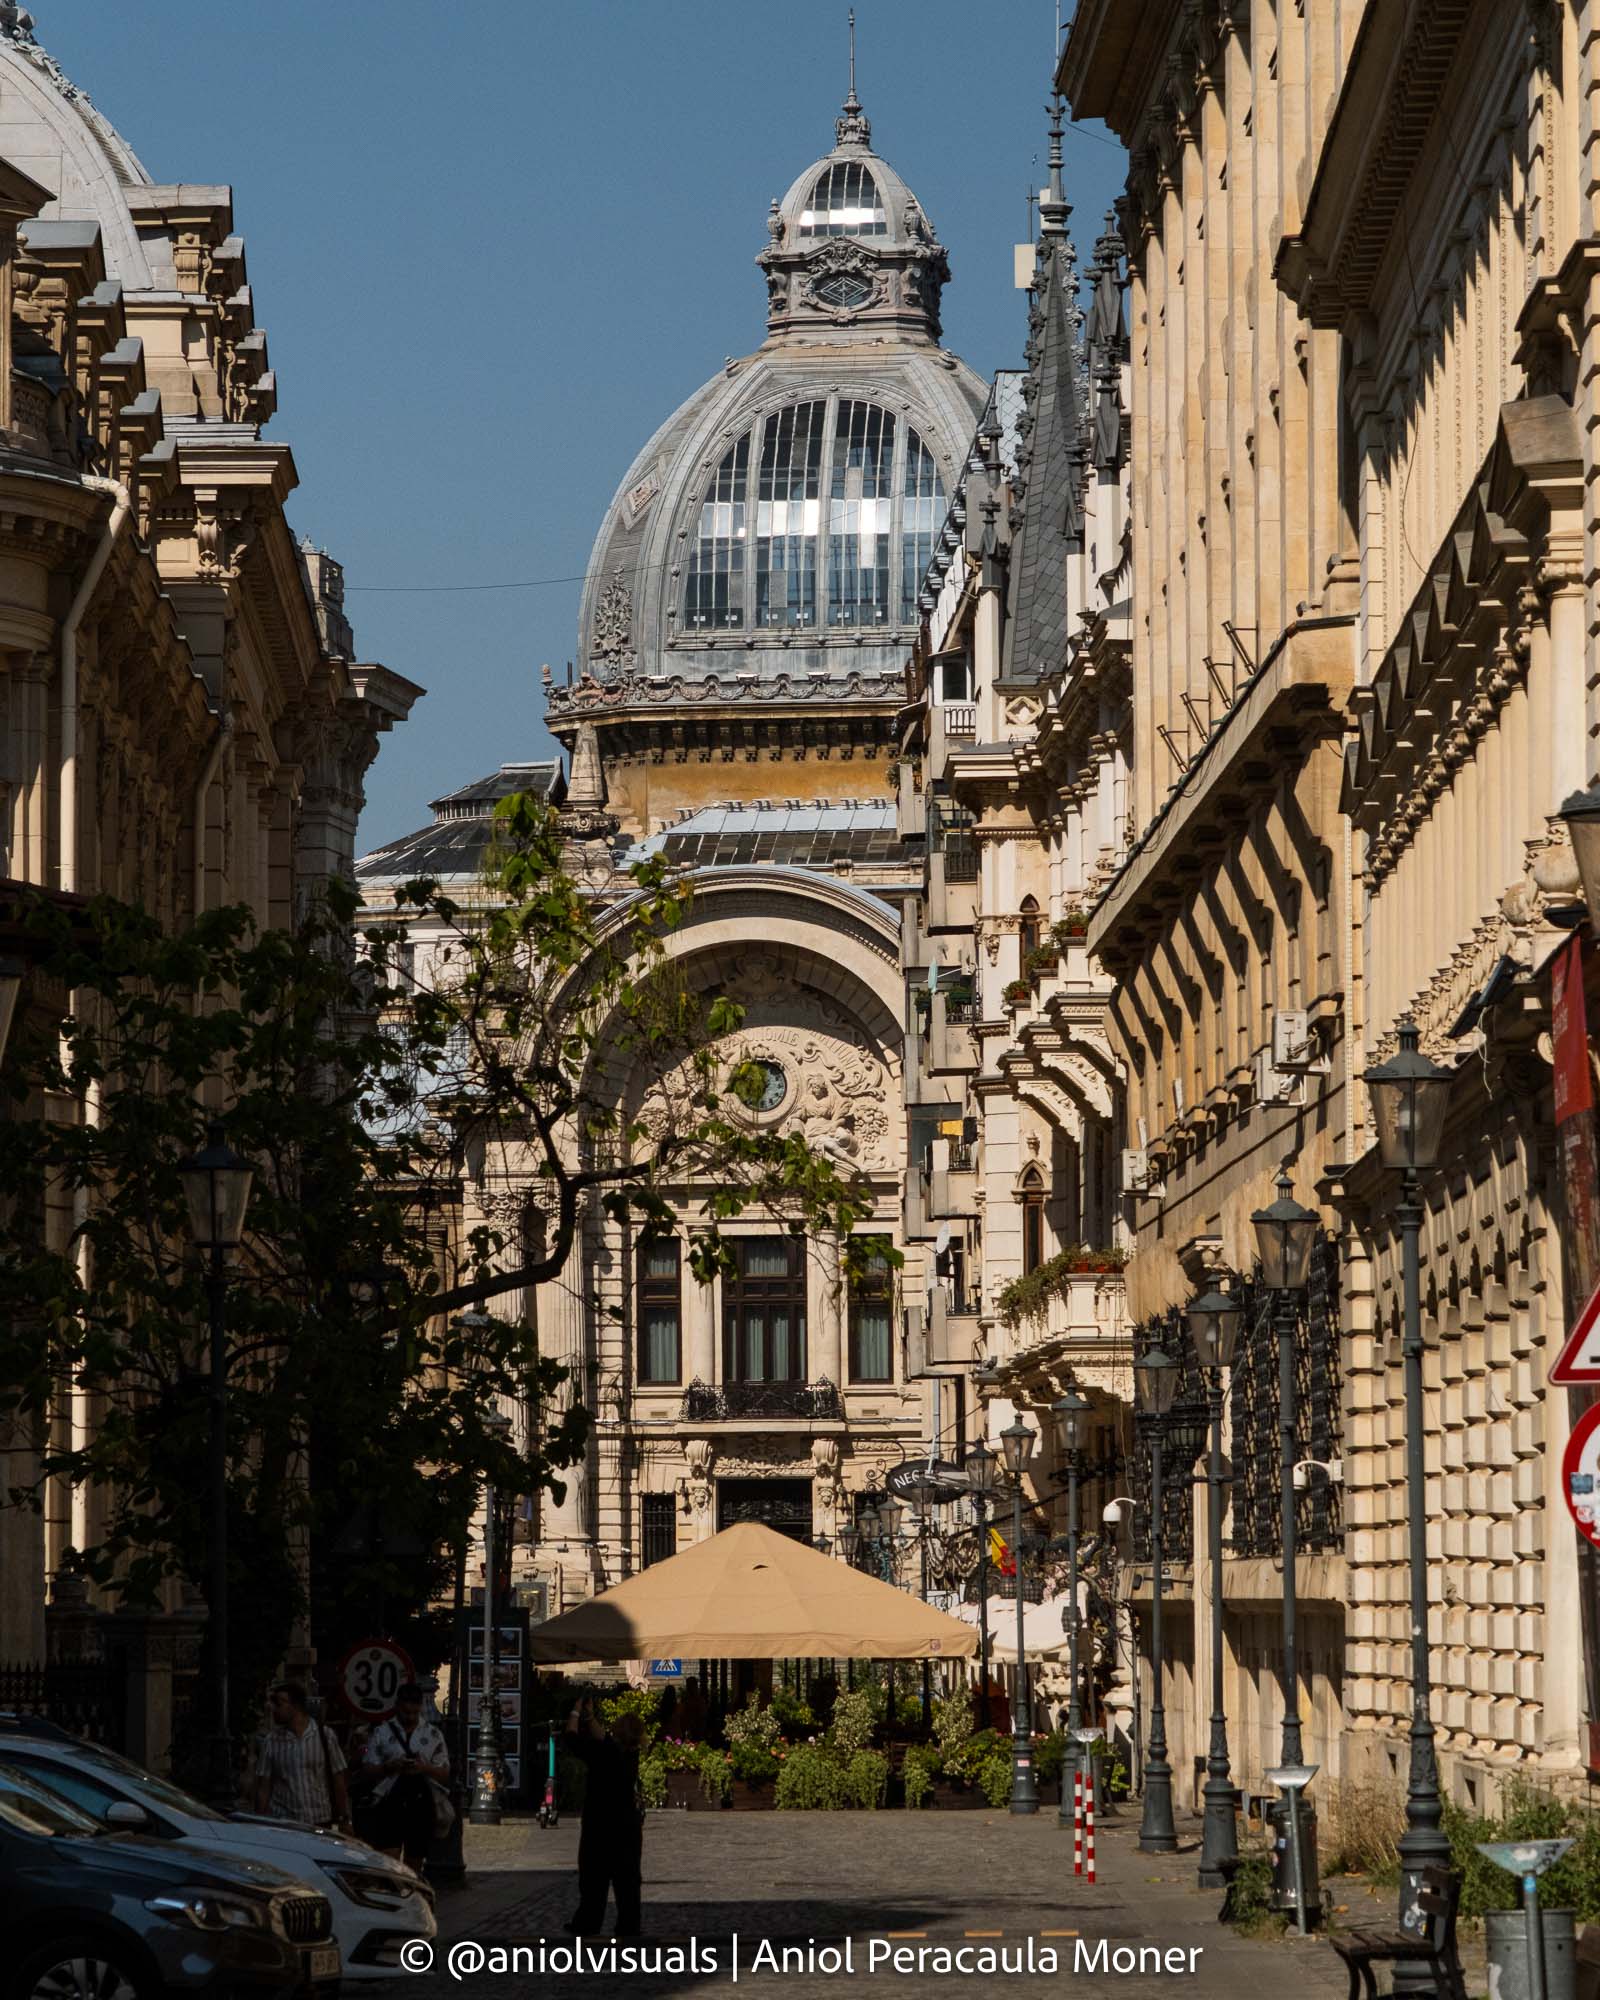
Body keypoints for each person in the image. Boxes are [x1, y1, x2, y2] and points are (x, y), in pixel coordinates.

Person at [564, 1698, 645, 1938]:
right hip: (627, 1825)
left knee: (593, 1878)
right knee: (628, 1880)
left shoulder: (600, 1752)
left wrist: (576, 1712)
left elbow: (571, 1739)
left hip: (599, 1825)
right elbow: (605, 1738)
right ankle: (629, 1925)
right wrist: (590, 1717)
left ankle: (588, 1923)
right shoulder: (631, 1755)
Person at [361, 1683, 451, 1871]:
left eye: (414, 1713)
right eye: (405, 1712)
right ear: (397, 1707)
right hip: (390, 1802)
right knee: (389, 1860)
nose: (410, 1717)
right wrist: (389, 1766)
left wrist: (424, 1768)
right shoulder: (382, 1732)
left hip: (420, 1802)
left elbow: (444, 1774)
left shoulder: (433, 1734)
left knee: (414, 1861)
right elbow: (368, 1769)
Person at [254, 1682, 350, 1831]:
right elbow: (263, 1786)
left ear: (296, 1706)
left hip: (320, 1820)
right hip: (285, 1822)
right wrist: (260, 1821)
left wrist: (344, 1818)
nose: (274, 1709)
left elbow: (338, 1778)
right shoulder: (271, 1741)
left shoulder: (325, 1736)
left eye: (279, 1704)